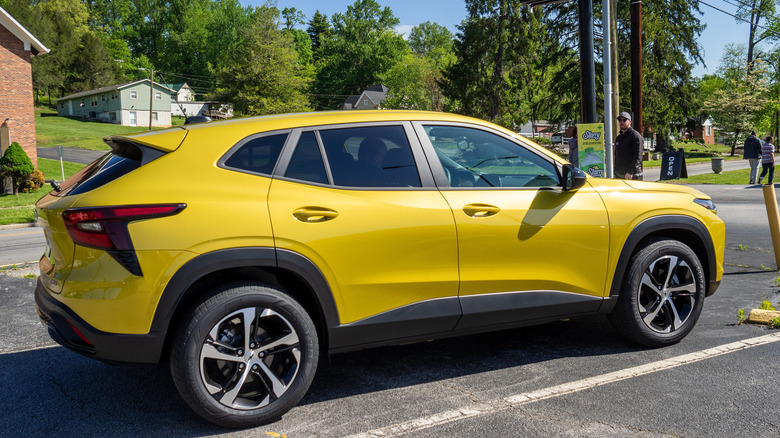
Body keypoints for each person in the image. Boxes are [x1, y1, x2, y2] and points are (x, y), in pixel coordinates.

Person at [614, 111, 643, 180]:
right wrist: (615, 171)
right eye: (620, 120)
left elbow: (638, 157)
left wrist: (630, 172)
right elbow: (616, 155)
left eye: (624, 120)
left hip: (633, 175)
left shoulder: (636, 136)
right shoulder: (619, 138)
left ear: (630, 121)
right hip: (619, 175)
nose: (622, 122)